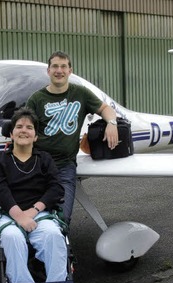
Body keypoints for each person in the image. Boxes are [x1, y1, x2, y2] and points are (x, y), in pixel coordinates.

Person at [0, 107, 68, 283]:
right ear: (11, 134)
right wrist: (19, 216)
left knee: (53, 234)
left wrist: (32, 212)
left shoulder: (45, 159)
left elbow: (56, 188)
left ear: (36, 135)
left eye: (29, 127)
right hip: (8, 215)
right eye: (19, 127)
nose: (24, 130)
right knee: (12, 237)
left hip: (39, 215)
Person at [26, 51, 120, 225]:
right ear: (48, 71)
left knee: (62, 218)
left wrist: (112, 123)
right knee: (33, 215)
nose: (59, 70)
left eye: (63, 66)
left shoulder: (81, 93)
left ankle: (61, 247)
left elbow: (106, 109)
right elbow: (24, 127)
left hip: (64, 167)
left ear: (70, 71)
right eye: (55, 66)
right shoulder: (36, 99)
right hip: (37, 166)